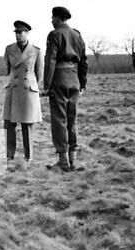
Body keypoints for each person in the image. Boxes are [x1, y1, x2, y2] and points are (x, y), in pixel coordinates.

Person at [43, 6, 88, 172]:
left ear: (58, 18)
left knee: (59, 120)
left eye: (52, 17)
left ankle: (63, 161)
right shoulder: (77, 35)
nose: (51, 20)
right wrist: (82, 83)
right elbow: (84, 61)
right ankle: (73, 160)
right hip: (74, 79)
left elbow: (50, 61)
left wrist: (47, 85)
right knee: (72, 119)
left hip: (59, 80)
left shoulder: (54, 35)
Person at [2, 20, 43, 161]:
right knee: (9, 124)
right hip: (13, 88)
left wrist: (33, 86)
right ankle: (9, 155)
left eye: (21, 32)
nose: (18, 35)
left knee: (27, 125)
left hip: (28, 90)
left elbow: (39, 74)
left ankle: (29, 156)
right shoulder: (9, 49)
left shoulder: (36, 51)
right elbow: (8, 69)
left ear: (27, 33)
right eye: (16, 32)